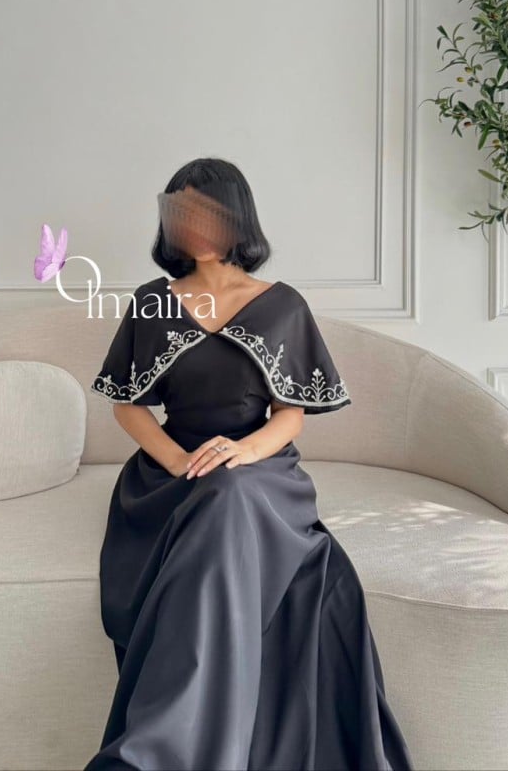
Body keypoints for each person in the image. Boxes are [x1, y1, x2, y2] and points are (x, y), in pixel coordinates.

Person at [84, 157, 415, 771]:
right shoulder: (153, 303)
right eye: (183, 212)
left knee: (229, 493)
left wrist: (243, 452)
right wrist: (179, 459)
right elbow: (127, 406)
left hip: (259, 469)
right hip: (170, 474)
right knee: (216, 494)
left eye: (208, 211)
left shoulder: (281, 305)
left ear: (237, 218)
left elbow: (291, 415)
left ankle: (156, 751)